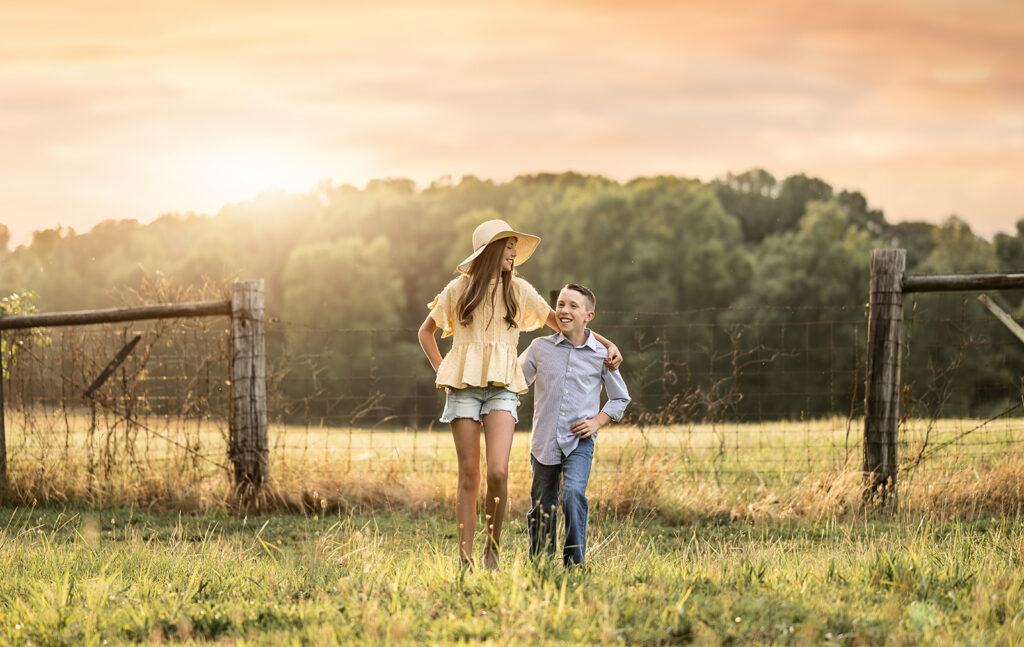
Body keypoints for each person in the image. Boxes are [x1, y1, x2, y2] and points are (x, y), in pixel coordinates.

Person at [418, 220, 621, 570]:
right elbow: (426, 332)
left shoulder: (520, 291)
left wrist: (606, 343)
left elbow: (567, 325)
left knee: (497, 471)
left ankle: (491, 551)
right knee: (469, 475)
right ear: (491, 250)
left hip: (501, 390)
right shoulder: (457, 290)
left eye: (514, 246)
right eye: (508, 246)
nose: (514, 253)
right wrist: (442, 369)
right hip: (463, 391)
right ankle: (465, 560)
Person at [519, 283, 631, 566]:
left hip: (579, 442)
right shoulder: (539, 348)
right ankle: (541, 562)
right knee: (542, 505)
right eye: (560, 304)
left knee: (572, 495)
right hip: (544, 441)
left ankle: (574, 563)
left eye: (572, 306)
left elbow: (619, 398)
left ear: (588, 316)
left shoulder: (601, 355)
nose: (564, 310)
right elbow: (514, 381)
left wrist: (597, 421)